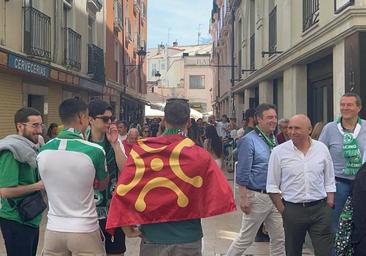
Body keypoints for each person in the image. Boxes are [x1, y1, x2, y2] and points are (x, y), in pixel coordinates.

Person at [107, 98, 236, 256]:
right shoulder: (201, 156)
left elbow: (123, 189)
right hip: (188, 237)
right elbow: (220, 193)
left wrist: (126, 226)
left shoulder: (142, 151)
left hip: (153, 237)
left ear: (163, 121)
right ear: (189, 122)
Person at [37, 98, 109, 256]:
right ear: (82, 117)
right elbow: (103, 184)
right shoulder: (95, 150)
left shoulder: (43, 151)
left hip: (53, 230)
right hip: (84, 229)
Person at [267, 114, 336, 256]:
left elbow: (329, 179)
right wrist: (284, 211)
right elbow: (272, 186)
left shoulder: (321, 149)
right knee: (293, 251)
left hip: (320, 209)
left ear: (309, 130)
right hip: (293, 209)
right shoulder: (279, 152)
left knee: (325, 251)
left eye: (297, 128)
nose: (292, 132)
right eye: (290, 128)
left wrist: (329, 203)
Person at [226, 103, 285, 256]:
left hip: (275, 195)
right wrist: (244, 198)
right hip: (257, 197)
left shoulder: (272, 138)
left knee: (279, 238)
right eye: (269, 117)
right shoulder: (248, 140)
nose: (273, 121)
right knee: (246, 238)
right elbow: (243, 171)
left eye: (275, 117)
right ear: (259, 119)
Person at [319, 92, 366, 235]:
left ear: (359, 108)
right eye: (342, 105)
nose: (345, 108)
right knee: (335, 225)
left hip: (362, 184)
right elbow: (320, 154)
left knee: (361, 221)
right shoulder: (330, 128)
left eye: (349, 105)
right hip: (338, 184)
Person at [0, 107, 45, 256]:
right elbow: (6, 191)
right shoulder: (11, 151)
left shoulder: (31, 148)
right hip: (15, 219)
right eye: (34, 125)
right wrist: (37, 186)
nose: (39, 130)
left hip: (31, 216)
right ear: (20, 126)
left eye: (40, 125)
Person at [88, 99, 128, 256]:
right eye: (105, 119)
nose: (110, 123)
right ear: (90, 119)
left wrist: (115, 145)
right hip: (89, 210)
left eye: (112, 119)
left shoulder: (115, 141)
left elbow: (125, 169)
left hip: (113, 207)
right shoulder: (82, 141)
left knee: (116, 251)